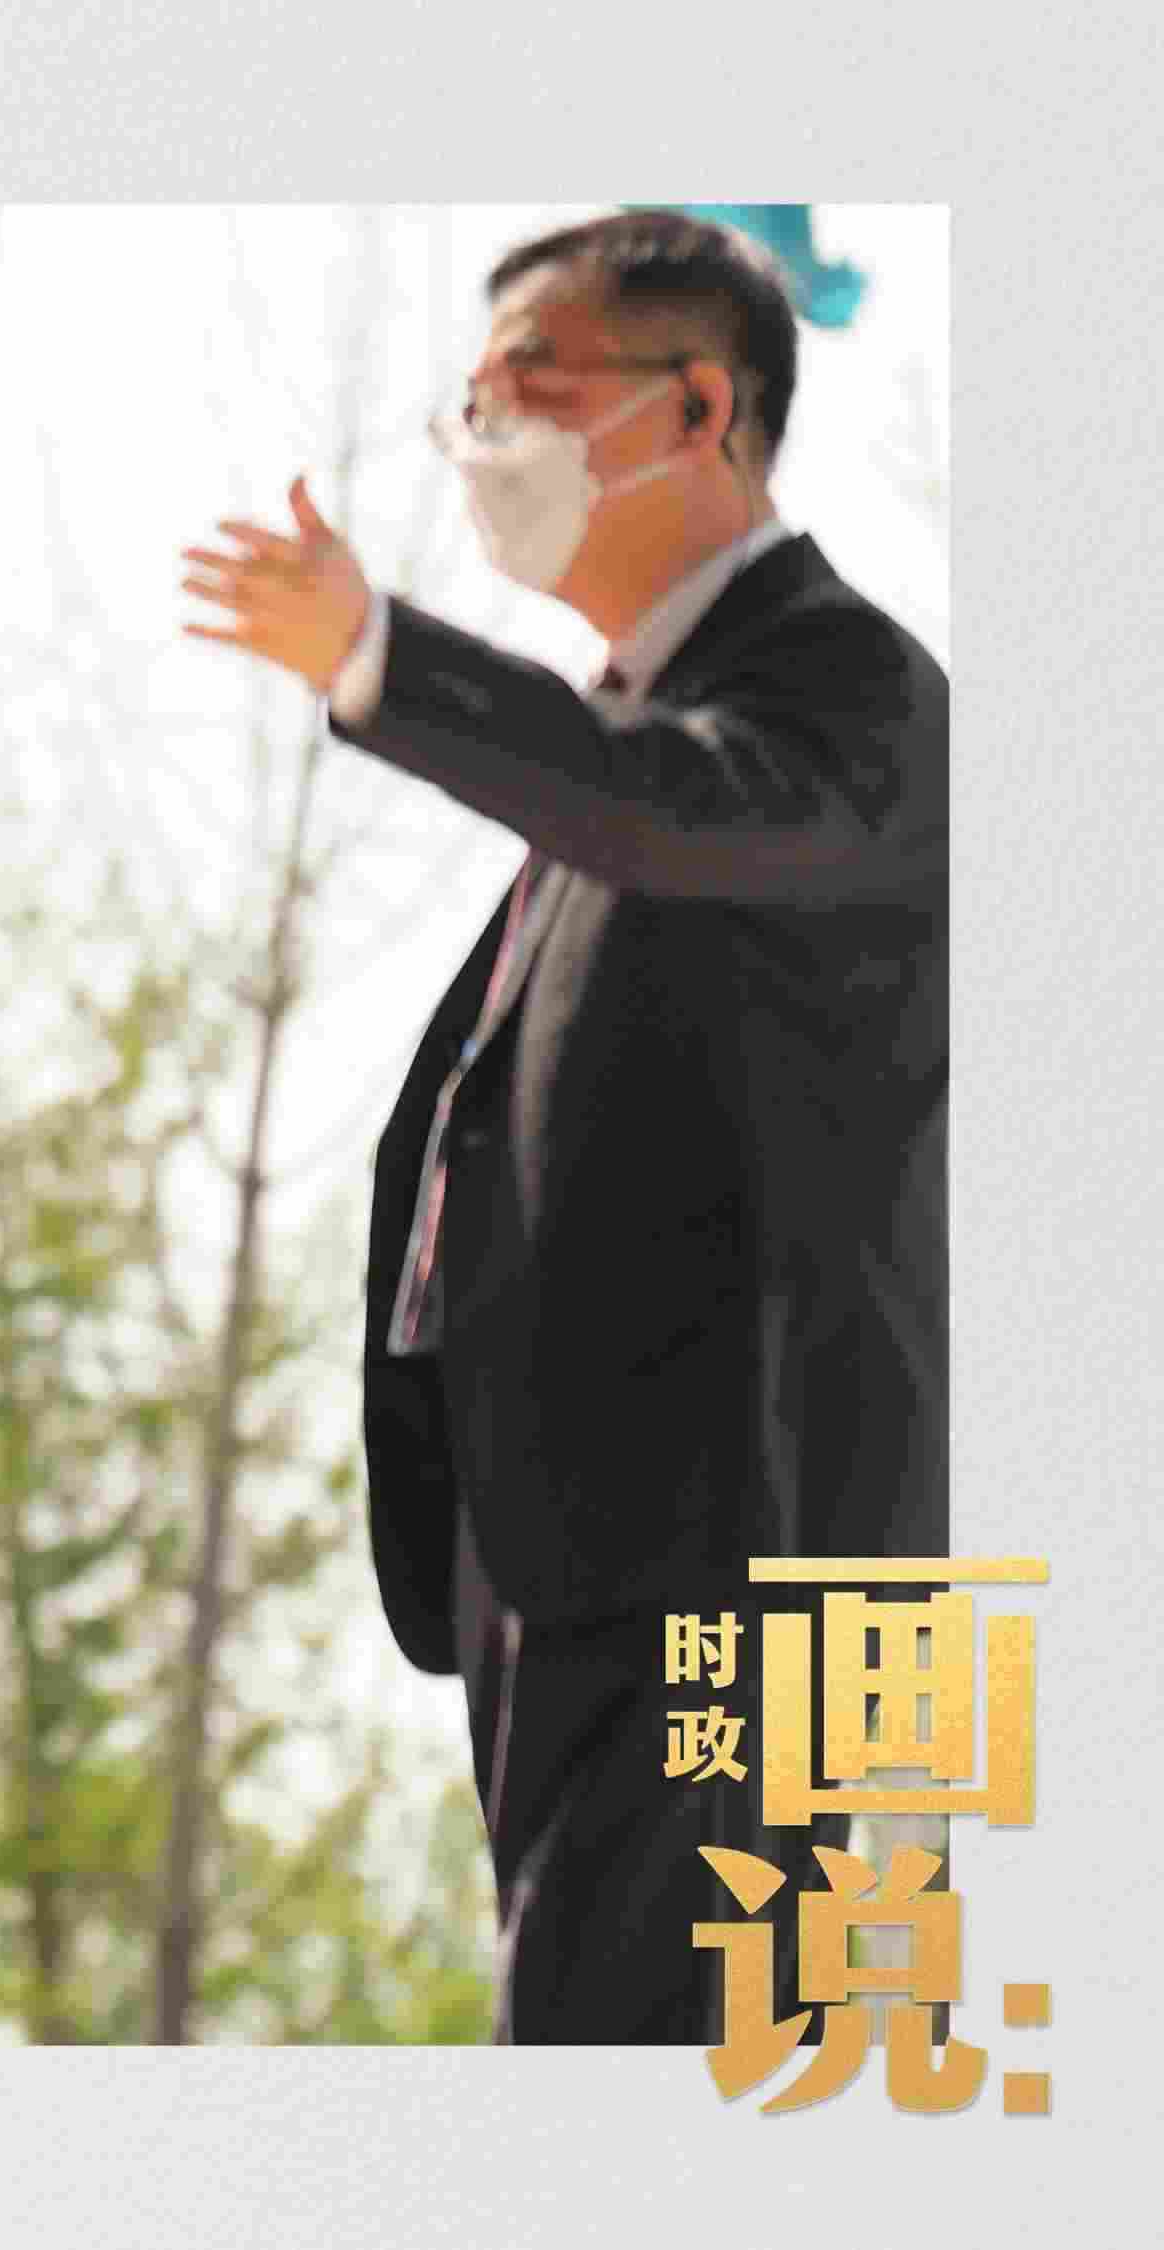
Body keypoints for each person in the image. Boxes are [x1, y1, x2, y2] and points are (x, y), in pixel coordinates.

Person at [178, 207, 945, 2043]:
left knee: (704, 2068)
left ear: (698, 411)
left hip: (755, 1566)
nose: (484, 436)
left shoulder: (844, 691)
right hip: (588, 1554)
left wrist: (383, 658)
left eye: (532, 385)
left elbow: (667, 806)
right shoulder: (632, 728)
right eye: (470, 397)